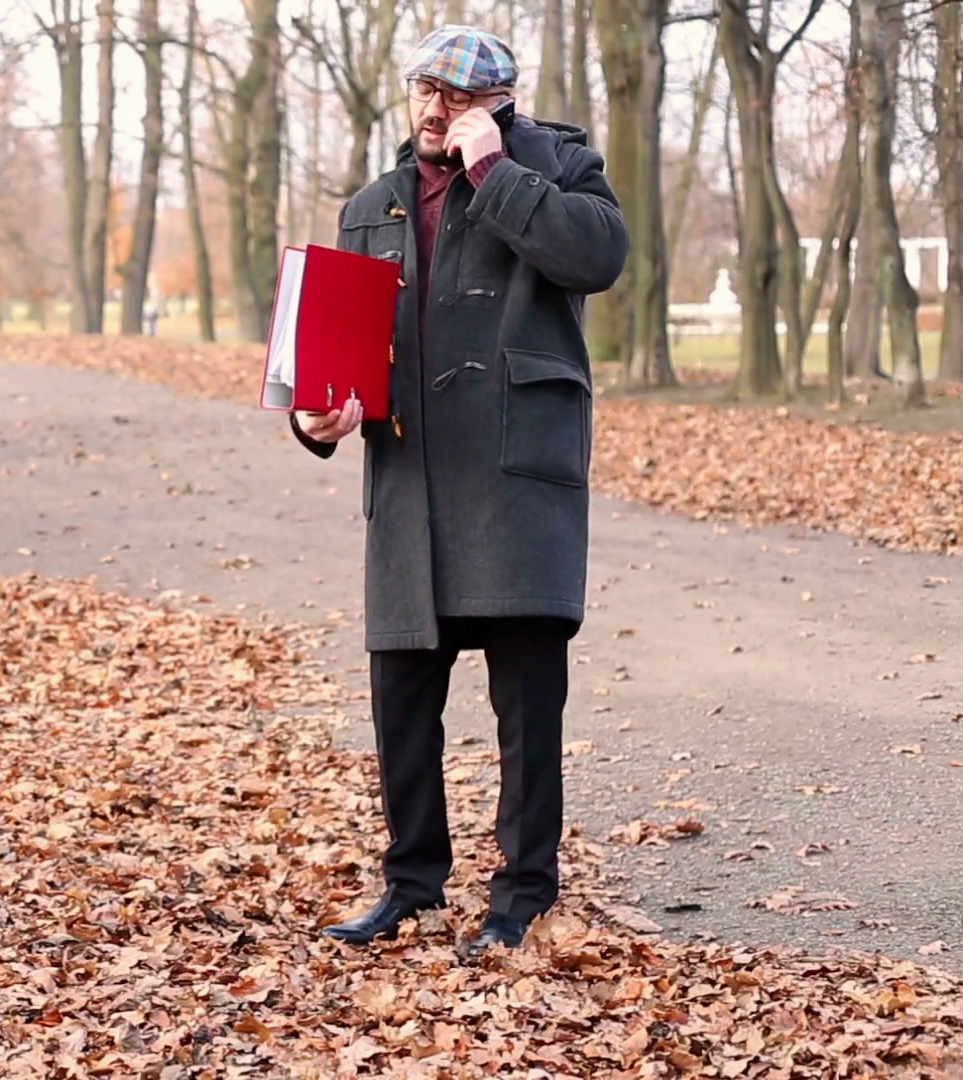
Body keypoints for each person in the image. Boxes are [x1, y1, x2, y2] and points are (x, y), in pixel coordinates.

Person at [288, 25, 627, 960]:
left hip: (516, 479)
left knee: (527, 709)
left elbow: (598, 260)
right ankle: (411, 884)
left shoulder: (559, 171)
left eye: (460, 97)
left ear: (500, 105)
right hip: (409, 483)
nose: (436, 110)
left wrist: (496, 172)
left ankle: (522, 895)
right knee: (401, 703)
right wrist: (318, 416)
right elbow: (340, 348)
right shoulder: (372, 206)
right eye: (426, 92)